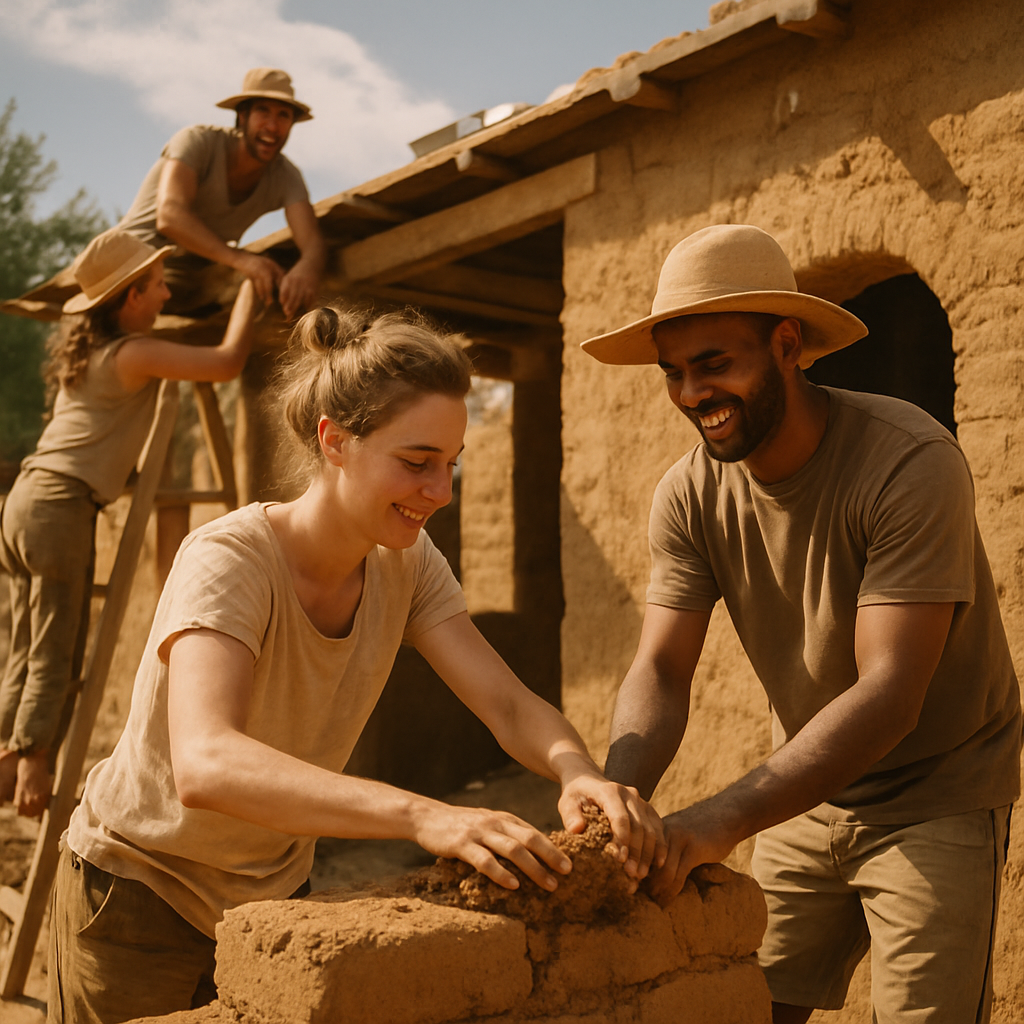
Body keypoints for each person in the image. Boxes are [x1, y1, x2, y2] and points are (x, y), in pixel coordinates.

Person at [49, 304, 665, 1024]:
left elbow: (506, 704)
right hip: (138, 896)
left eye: (451, 464)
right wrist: (422, 816)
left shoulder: (405, 564)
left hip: (272, 902)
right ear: (334, 441)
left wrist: (577, 770)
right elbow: (206, 762)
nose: (441, 492)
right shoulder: (230, 560)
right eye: (416, 463)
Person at [583, 224, 1022, 1023]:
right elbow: (662, 669)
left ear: (787, 343)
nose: (691, 395)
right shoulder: (688, 495)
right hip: (809, 794)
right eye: (673, 373)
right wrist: (618, 798)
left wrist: (719, 818)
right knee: (747, 1006)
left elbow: (891, 693)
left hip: (939, 792)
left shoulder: (907, 462)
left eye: (714, 364)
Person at [0, 228, 256, 819]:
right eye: (158, 285)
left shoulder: (93, 353)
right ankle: (36, 762)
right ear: (130, 298)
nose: (168, 294)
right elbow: (226, 363)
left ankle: (11, 754)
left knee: (22, 643)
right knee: (56, 647)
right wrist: (250, 288)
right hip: (57, 507)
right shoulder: (132, 353)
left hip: (23, 503)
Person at [116, 66, 325, 320]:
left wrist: (307, 270)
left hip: (194, 267)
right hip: (135, 259)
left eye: (283, 115)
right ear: (242, 115)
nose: (272, 126)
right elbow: (170, 216)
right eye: (263, 111)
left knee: (274, 283)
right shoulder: (197, 141)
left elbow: (312, 242)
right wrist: (242, 260)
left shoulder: (285, 175)